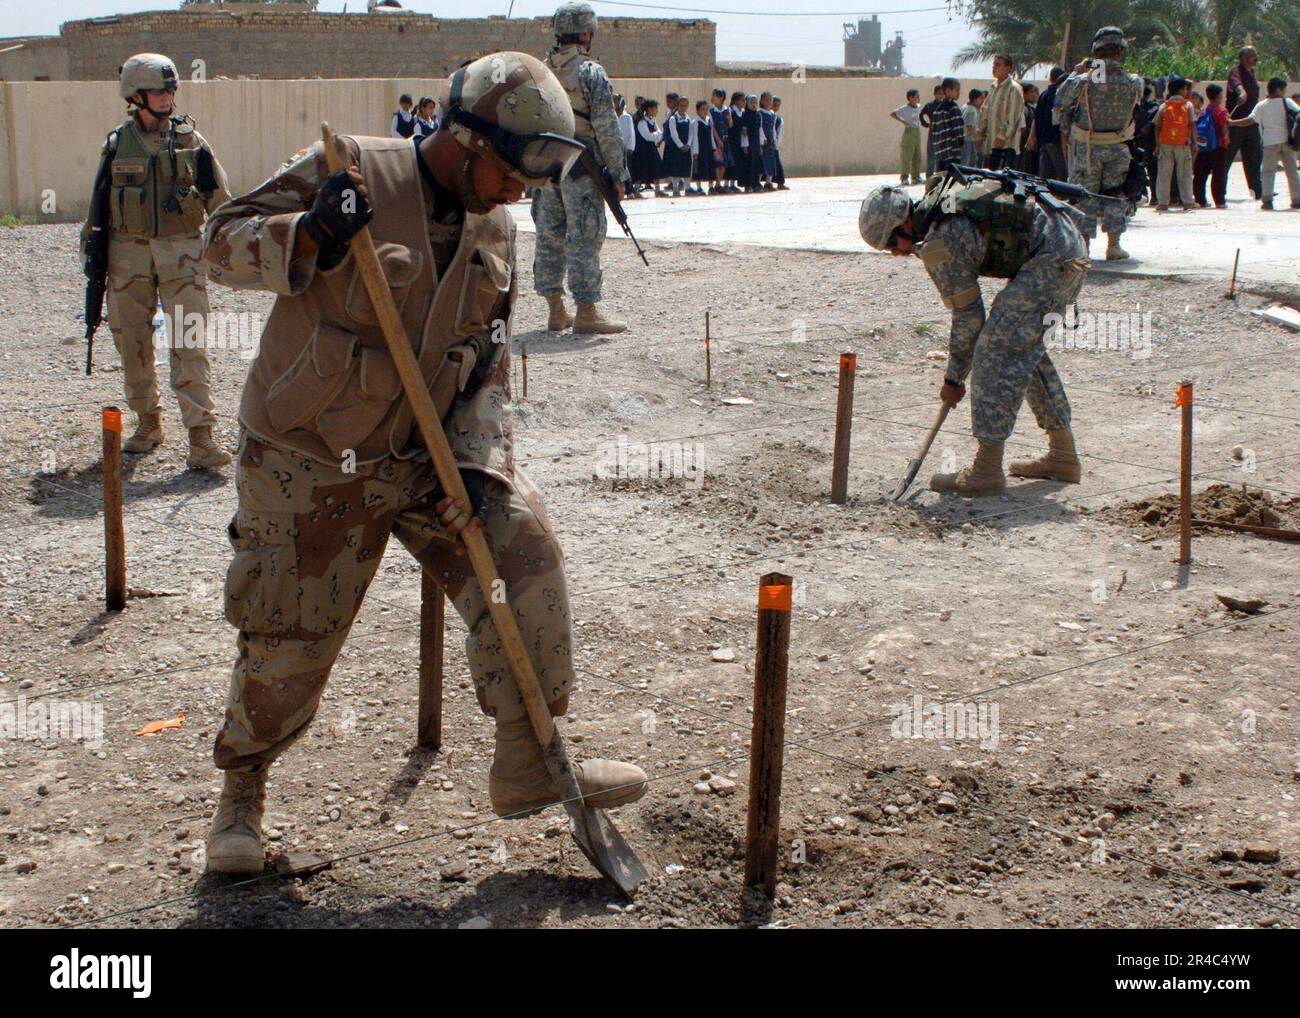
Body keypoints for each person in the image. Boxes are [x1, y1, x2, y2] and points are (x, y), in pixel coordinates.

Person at [199, 50, 648, 875]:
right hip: (310, 460)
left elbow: (490, 361)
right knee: (289, 640)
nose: (523, 191)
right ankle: (241, 800)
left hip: (428, 453)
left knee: (525, 552)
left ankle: (529, 758)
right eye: (514, 171)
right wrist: (307, 234)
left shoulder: (496, 227)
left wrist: (477, 469)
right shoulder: (352, 172)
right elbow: (216, 246)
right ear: (466, 141)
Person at [858, 177, 1087, 498]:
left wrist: (954, 379)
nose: (896, 253)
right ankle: (1063, 455)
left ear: (905, 224)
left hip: (1054, 258)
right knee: (1017, 341)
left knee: (997, 348)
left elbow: (969, 318)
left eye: (893, 244)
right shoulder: (943, 210)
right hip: (1065, 248)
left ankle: (986, 469)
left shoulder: (940, 244)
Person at [80, 52, 232, 470]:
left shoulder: (192, 143)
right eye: (158, 90)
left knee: (190, 342)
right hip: (127, 256)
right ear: (135, 95)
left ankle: (201, 438)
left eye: (171, 89)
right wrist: (92, 256)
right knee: (132, 342)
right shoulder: (115, 146)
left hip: (182, 252)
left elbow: (221, 201)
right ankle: (148, 423)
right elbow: (98, 206)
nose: (167, 96)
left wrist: (229, 245)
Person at [532, 2, 631, 334]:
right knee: (585, 236)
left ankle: (556, 312)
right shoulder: (591, 72)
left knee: (549, 236)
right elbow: (607, 128)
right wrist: (618, 174)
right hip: (581, 165)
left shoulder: (541, 71)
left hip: (547, 166)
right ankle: (586, 313)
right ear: (587, 32)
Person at [1055, 26, 1143, 260]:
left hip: (1088, 148)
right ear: (1122, 51)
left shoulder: (1087, 79)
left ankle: (1082, 246)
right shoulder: (1134, 81)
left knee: (1084, 196)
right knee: (1115, 195)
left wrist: (1078, 72)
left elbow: (1061, 97)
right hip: (1119, 146)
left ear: (1097, 51)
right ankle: (1113, 246)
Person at [1228, 76, 1300, 210]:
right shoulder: (1287, 102)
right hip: (1287, 142)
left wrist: (1232, 123)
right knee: (1292, 172)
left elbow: (1250, 120)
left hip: (1269, 143)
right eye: (1283, 89)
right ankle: (1296, 200)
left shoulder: (1261, 105)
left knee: (1267, 172)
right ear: (1278, 90)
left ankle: (1267, 201)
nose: (1284, 92)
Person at [1224, 46, 1264, 199]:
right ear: (1243, 58)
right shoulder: (1236, 71)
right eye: (1252, 55)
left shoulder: (1253, 73)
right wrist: (1242, 93)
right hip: (1234, 123)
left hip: (1251, 123)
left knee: (1254, 157)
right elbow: (1237, 85)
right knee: (1227, 158)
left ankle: (1258, 191)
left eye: (1255, 54)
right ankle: (1221, 191)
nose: (1255, 57)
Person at [1154, 77, 1197, 212]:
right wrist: (1194, 143)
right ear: (1181, 90)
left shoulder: (1164, 105)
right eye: (1185, 89)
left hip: (1166, 143)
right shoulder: (1188, 105)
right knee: (1184, 174)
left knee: (1164, 174)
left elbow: (1157, 126)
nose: (1186, 91)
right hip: (1183, 144)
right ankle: (1187, 201)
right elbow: (1192, 125)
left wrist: (1157, 144)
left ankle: (1162, 202)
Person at [977, 55, 1024, 170]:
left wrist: (1002, 136)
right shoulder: (993, 87)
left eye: (998, 65)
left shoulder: (1014, 89)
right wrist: (980, 135)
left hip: (1005, 146)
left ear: (1008, 68)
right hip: (990, 144)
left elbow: (1013, 117)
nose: (994, 67)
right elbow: (985, 111)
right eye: (994, 64)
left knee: (1000, 182)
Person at [1193, 83, 1230, 209]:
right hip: (1218, 147)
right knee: (1218, 175)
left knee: (1200, 174)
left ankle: (1200, 200)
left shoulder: (1204, 111)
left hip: (1204, 146)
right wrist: (1227, 140)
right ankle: (1219, 201)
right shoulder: (1221, 111)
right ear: (1219, 96)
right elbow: (1224, 129)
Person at [1027, 68, 1067, 181]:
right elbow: (1059, 119)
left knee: (1045, 179)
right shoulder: (1060, 94)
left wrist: (1032, 136)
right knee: (1064, 176)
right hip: (1056, 140)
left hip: (1044, 141)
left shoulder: (1043, 95)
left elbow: (1036, 117)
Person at [928, 78, 965, 176]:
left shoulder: (937, 109)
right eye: (956, 90)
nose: (959, 93)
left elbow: (934, 130)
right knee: (952, 179)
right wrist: (961, 142)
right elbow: (958, 126)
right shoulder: (953, 107)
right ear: (948, 91)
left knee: (941, 178)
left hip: (940, 152)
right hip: (952, 150)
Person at [891, 89, 924, 185]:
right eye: (916, 96)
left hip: (917, 130)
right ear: (910, 98)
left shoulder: (919, 107)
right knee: (906, 155)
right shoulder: (905, 108)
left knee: (917, 155)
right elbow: (893, 114)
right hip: (909, 131)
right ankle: (904, 177)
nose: (918, 98)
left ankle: (916, 176)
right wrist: (903, 121)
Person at [634, 98, 665, 197]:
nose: (657, 111)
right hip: (642, 149)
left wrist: (656, 134)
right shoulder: (642, 121)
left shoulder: (652, 120)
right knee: (641, 169)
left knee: (656, 167)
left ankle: (657, 190)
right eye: (655, 108)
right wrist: (657, 134)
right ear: (650, 109)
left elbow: (659, 133)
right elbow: (647, 136)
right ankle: (636, 191)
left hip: (651, 148)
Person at [662, 95, 693, 197]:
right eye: (681, 105)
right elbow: (674, 134)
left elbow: (691, 133)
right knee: (676, 168)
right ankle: (675, 188)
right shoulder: (673, 118)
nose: (683, 108)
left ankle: (687, 188)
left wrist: (688, 144)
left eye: (685, 105)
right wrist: (681, 145)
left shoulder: (688, 119)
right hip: (677, 147)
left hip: (687, 147)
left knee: (686, 167)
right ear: (678, 106)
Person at [709, 88, 735, 193]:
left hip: (725, 140)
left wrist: (730, 119)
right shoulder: (711, 111)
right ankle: (716, 184)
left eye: (714, 95)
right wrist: (718, 140)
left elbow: (731, 125)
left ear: (720, 98)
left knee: (724, 163)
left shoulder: (727, 109)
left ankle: (718, 184)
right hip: (716, 141)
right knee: (717, 163)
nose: (712, 98)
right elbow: (712, 127)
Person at [690, 99, 717, 195]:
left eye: (706, 109)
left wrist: (714, 147)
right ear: (697, 110)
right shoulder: (695, 122)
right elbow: (695, 138)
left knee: (711, 168)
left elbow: (711, 135)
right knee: (698, 169)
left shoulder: (709, 120)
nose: (705, 111)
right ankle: (699, 187)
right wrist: (695, 152)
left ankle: (711, 187)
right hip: (700, 149)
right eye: (702, 109)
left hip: (709, 148)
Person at [919, 85, 944, 178]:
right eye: (939, 94)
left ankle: (940, 175)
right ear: (934, 94)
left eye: (942, 94)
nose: (941, 96)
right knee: (932, 155)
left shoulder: (945, 105)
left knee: (942, 156)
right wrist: (926, 124)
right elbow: (921, 114)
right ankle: (929, 176)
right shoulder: (930, 105)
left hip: (943, 133)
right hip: (933, 132)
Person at [759, 92, 778, 191]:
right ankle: (758, 182)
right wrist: (762, 140)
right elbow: (760, 127)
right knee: (762, 163)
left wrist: (775, 141)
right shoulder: (760, 113)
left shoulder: (772, 114)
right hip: (764, 143)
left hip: (771, 143)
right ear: (761, 101)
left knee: (771, 163)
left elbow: (773, 128)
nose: (769, 102)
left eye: (770, 100)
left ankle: (768, 182)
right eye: (766, 99)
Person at [1018, 84, 1039, 173]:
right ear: (1024, 94)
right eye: (1031, 92)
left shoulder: (1030, 108)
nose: (1033, 94)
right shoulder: (1022, 108)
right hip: (1022, 142)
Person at [962, 89, 984, 166]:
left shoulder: (965, 107)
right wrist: (977, 136)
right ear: (975, 99)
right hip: (968, 139)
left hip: (967, 138)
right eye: (981, 98)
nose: (982, 101)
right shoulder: (972, 110)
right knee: (966, 160)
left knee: (972, 159)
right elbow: (970, 127)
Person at [771, 96, 788, 189]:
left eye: (778, 105)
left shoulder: (778, 119)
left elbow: (779, 134)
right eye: (774, 104)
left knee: (777, 164)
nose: (776, 107)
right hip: (764, 144)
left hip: (774, 145)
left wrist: (776, 145)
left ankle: (780, 182)